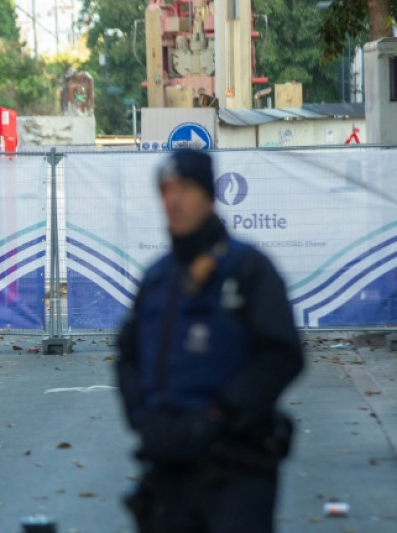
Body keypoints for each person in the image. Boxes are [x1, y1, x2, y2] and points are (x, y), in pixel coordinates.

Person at [116, 149, 305, 533]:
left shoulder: (248, 268)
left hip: (236, 469)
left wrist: (220, 415)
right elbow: (127, 356)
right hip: (168, 470)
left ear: (208, 195)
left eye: (184, 188)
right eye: (166, 190)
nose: (173, 200)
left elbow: (283, 354)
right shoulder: (157, 278)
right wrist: (143, 419)